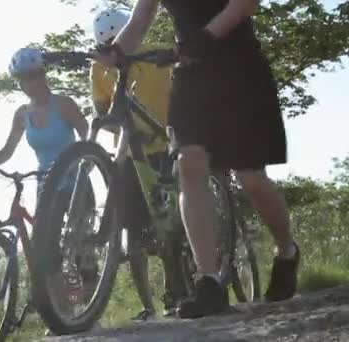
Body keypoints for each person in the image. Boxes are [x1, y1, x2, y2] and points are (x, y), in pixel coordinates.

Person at [96, 0, 300, 319]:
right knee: (189, 164)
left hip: (239, 68)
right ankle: (208, 283)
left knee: (252, 180)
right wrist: (116, 51)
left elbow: (244, 5)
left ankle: (287, 250)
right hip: (190, 72)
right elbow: (139, 20)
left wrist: (204, 37)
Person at [0, 47, 97, 333]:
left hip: (74, 184)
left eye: (35, 74)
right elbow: (8, 149)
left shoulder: (63, 104)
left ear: (43, 74)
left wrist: (85, 163)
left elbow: (89, 134)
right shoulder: (21, 115)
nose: (31, 82)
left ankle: (88, 311)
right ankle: (62, 314)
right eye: (24, 78)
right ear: (19, 82)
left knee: (81, 249)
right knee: (44, 253)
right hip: (46, 187)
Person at [90, 6, 187, 320]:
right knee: (136, 233)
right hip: (130, 154)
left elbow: (176, 98)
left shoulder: (151, 56)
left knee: (169, 227)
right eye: (106, 47)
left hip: (164, 148)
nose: (110, 53)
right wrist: (127, 131)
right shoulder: (99, 69)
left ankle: (175, 294)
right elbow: (103, 112)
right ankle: (150, 304)